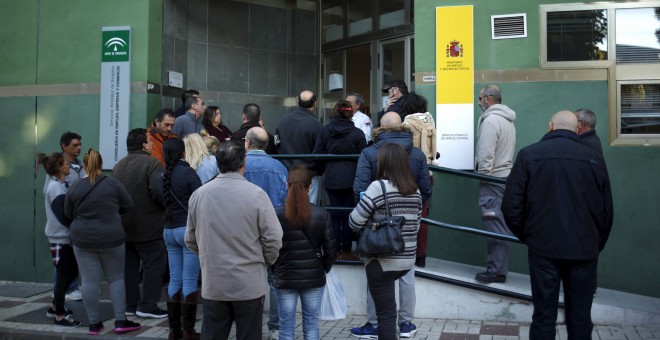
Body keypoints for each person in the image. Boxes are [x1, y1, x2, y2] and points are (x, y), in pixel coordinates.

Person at [502, 110, 613, 340]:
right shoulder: (594, 159)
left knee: (543, 316)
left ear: (550, 126)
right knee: (581, 318)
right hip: (584, 249)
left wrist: (529, 235)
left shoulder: (529, 155)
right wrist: (594, 243)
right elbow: (606, 211)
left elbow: (511, 206)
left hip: (544, 248)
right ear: (577, 129)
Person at [185, 141, 283, 340]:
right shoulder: (257, 195)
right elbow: (274, 238)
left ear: (217, 163)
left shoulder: (199, 195)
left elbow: (190, 238)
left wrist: (208, 256)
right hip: (248, 284)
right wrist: (264, 261)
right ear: (243, 163)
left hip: (214, 283)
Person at [351, 111, 431, 339]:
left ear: (380, 127)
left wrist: (370, 214)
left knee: (378, 284)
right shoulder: (416, 154)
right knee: (406, 278)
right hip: (406, 245)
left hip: (379, 241)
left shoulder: (369, 152)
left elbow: (359, 189)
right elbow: (425, 190)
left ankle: (374, 324)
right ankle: (406, 323)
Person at [64, 149, 141, 335]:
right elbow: (128, 205)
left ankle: (94, 324)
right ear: (100, 164)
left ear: (84, 165)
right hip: (112, 238)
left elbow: (68, 213)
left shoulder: (75, 186)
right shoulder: (113, 184)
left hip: (82, 240)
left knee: (89, 281)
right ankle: (121, 321)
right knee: (116, 279)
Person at [273, 165, 337, 340]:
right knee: (311, 325)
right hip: (314, 276)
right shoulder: (321, 213)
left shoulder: (276, 214)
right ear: (310, 187)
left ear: (287, 185)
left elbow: (269, 246)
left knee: (285, 327)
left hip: (285, 275)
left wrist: (274, 268)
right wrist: (323, 267)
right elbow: (331, 248)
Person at [111, 128, 168, 318]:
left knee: (129, 267)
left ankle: (130, 304)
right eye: (150, 142)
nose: (152, 144)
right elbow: (158, 192)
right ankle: (148, 305)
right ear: (144, 145)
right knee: (153, 264)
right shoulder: (152, 164)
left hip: (124, 226)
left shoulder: (118, 166)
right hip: (150, 226)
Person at [243, 126, 288, 339]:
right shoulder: (279, 167)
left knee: (245, 279)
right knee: (275, 281)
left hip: (242, 231)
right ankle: (276, 328)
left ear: (247, 143)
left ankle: (246, 326)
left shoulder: (239, 165)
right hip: (272, 229)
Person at [313, 100, 367, 258]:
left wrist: (323, 170)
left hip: (331, 178)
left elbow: (317, 153)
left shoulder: (325, 131)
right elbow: (363, 158)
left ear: (335, 112)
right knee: (349, 213)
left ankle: (335, 250)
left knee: (335, 214)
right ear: (351, 113)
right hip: (351, 178)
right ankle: (348, 250)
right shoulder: (357, 133)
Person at [160, 138, 202, 340]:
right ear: (183, 152)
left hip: (168, 231)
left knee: (174, 279)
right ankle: (188, 331)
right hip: (187, 231)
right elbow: (201, 200)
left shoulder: (162, 175)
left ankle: (173, 330)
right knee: (189, 280)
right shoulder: (189, 173)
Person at [474, 84, 516, 284]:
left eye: (480, 98)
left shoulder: (491, 120)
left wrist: (483, 176)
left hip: (492, 180)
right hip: (504, 177)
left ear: (489, 99)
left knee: (493, 225)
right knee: (498, 223)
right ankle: (498, 268)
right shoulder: (507, 120)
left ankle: (497, 271)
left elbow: (486, 154)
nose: (479, 102)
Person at [37, 152, 80, 327]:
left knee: (68, 273)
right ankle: (60, 315)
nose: (68, 166)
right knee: (64, 275)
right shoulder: (55, 188)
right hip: (60, 238)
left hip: (63, 237)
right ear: (58, 168)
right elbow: (64, 216)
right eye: (65, 164)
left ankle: (55, 307)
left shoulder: (60, 185)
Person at [401, 93, 437, 268]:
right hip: (428, 174)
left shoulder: (407, 123)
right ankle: (421, 255)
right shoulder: (429, 120)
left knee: (405, 214)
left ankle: (405, 251)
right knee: (423, 216)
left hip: (410, 174)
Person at [275, 90, 322, 203]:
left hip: (288, 174)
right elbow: (321, 152)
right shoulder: (316, 125)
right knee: (309, 210)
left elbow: (277, 145)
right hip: (309, 175)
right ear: (314, 103)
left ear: (298, 102)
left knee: (289, 209)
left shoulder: (283, 121)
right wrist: (318, 170)